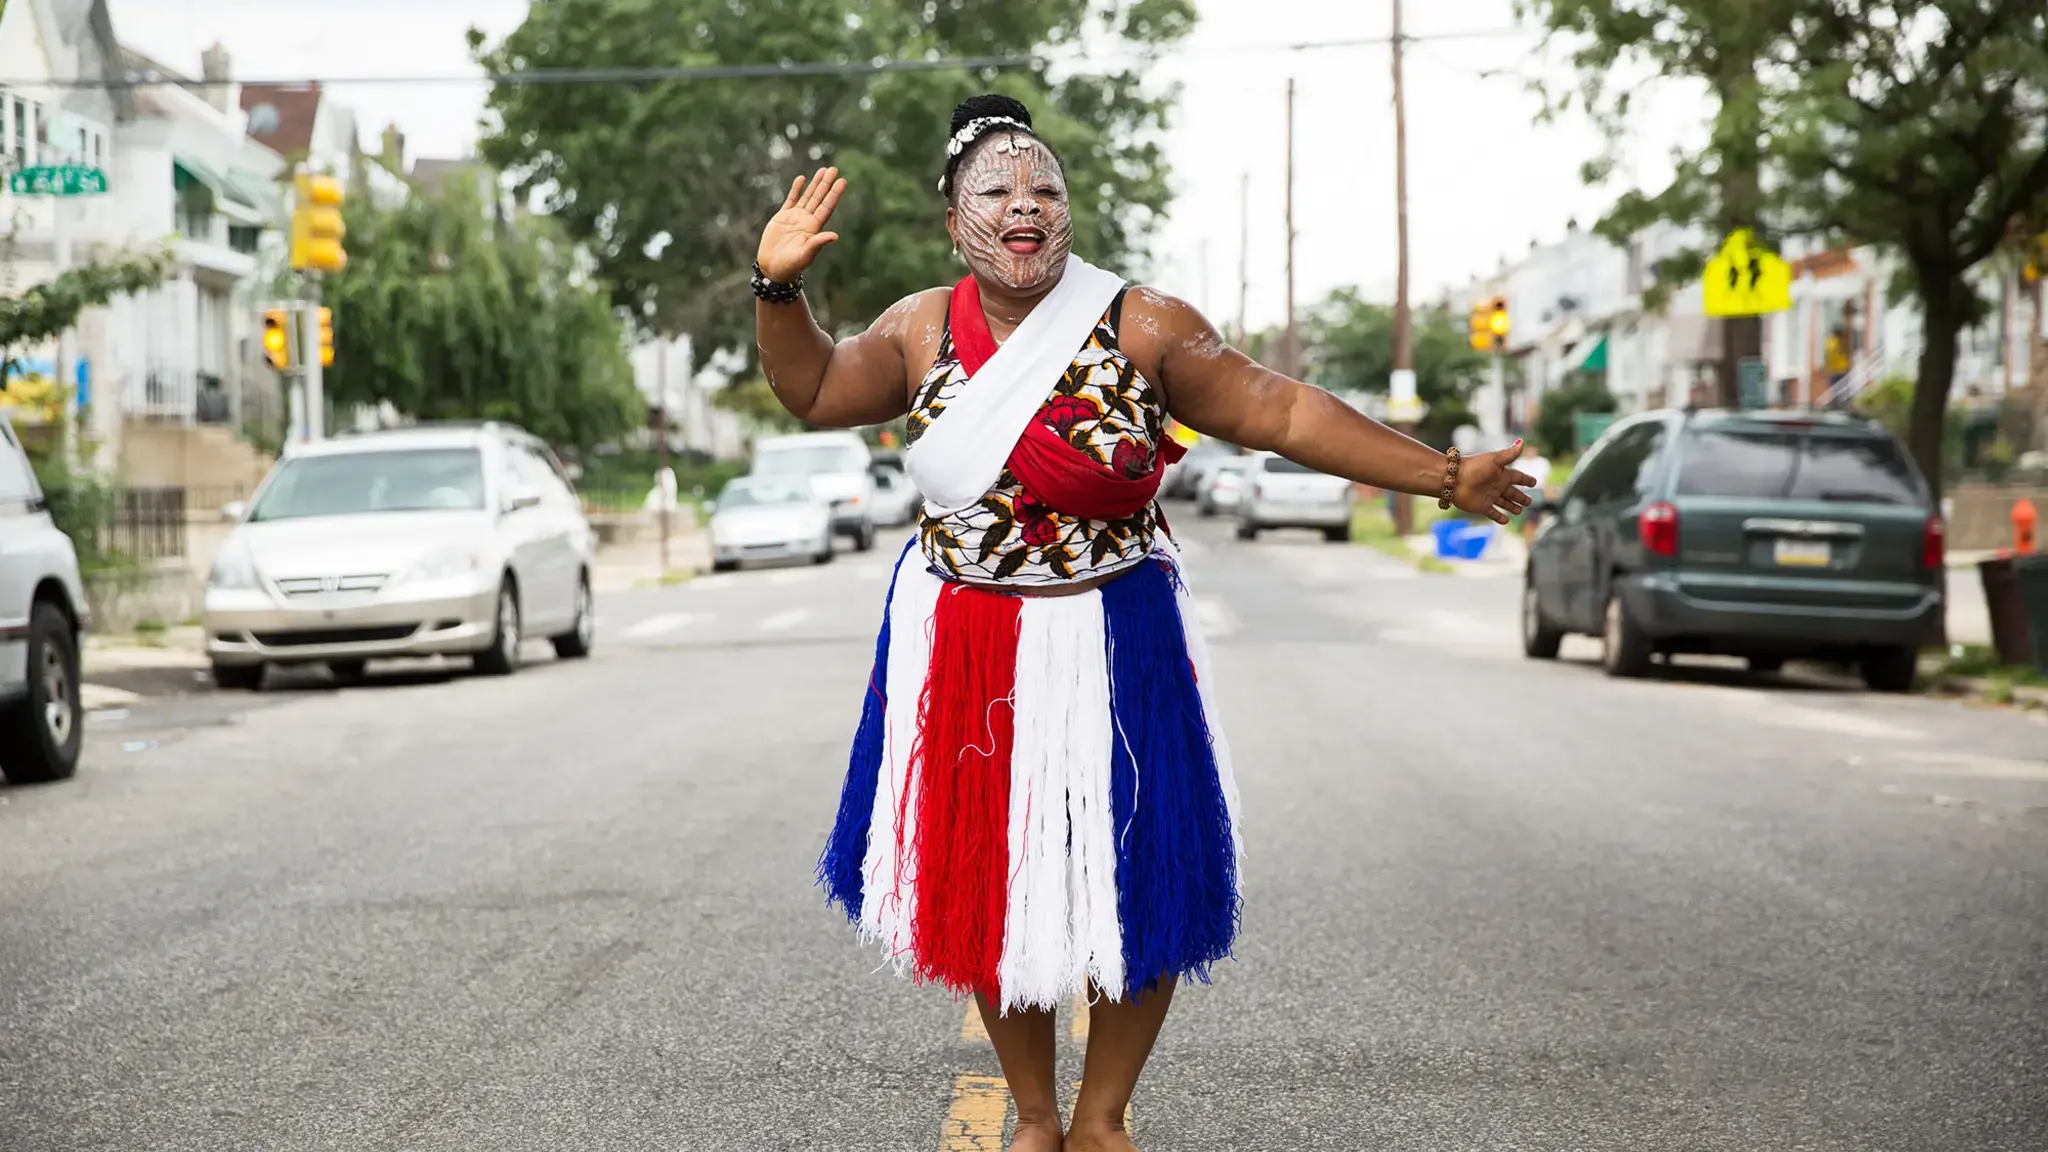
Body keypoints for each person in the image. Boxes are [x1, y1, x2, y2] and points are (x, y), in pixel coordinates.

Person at [753, 94, 1533, 1152]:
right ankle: (1033, 1117)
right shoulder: (918, 327)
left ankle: (1103, 1115)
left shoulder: (1141, 322)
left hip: (1114, 634)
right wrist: (778, 286)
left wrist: (1440, 473)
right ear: (955, 222)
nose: (1023, 207)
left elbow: (1281, 410)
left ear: (1068, 210)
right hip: (968, 640)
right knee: (997, 881)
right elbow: (808, 388)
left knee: (1140, 865)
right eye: (995, 191)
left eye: (1044, 189)